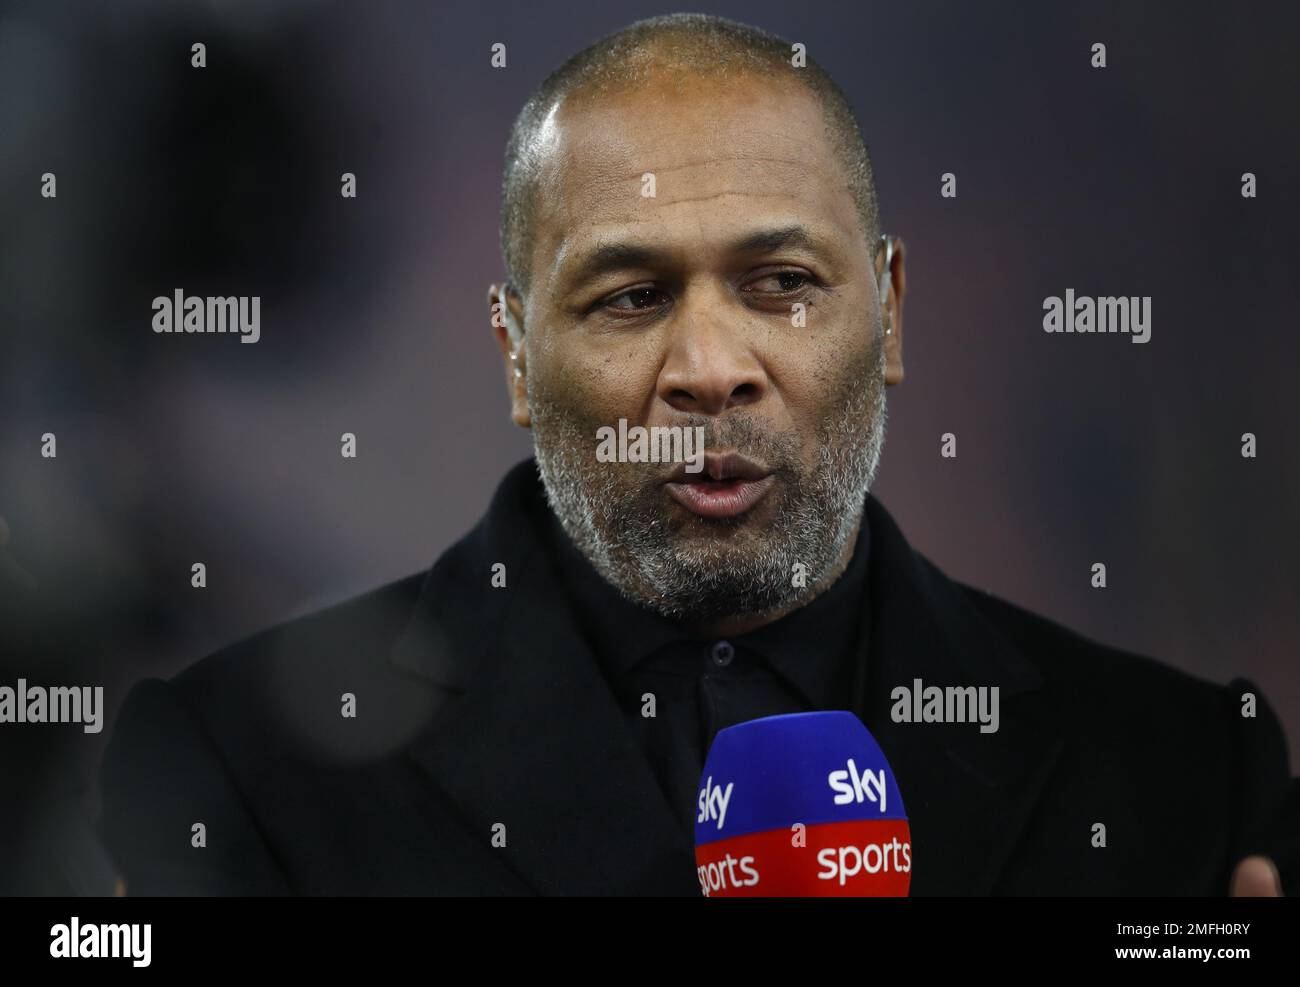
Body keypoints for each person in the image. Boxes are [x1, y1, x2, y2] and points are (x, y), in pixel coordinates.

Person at [97, 13, 1297, 896]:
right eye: (628, 296)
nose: (710, 367)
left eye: (781, 285)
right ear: (517, 357)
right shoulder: (234, 768)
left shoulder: (1182, 770)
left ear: (888, 311)